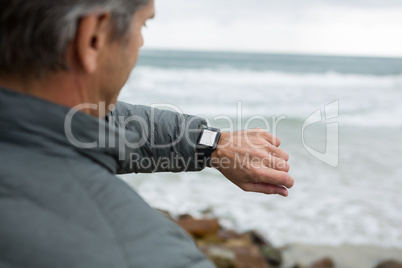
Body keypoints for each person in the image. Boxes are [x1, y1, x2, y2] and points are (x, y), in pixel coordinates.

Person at [0, 0, 294, 267]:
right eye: (143, 24)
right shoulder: (145, 253)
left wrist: (212, 144)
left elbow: (97, 121)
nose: (140, 42)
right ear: (93, 37)